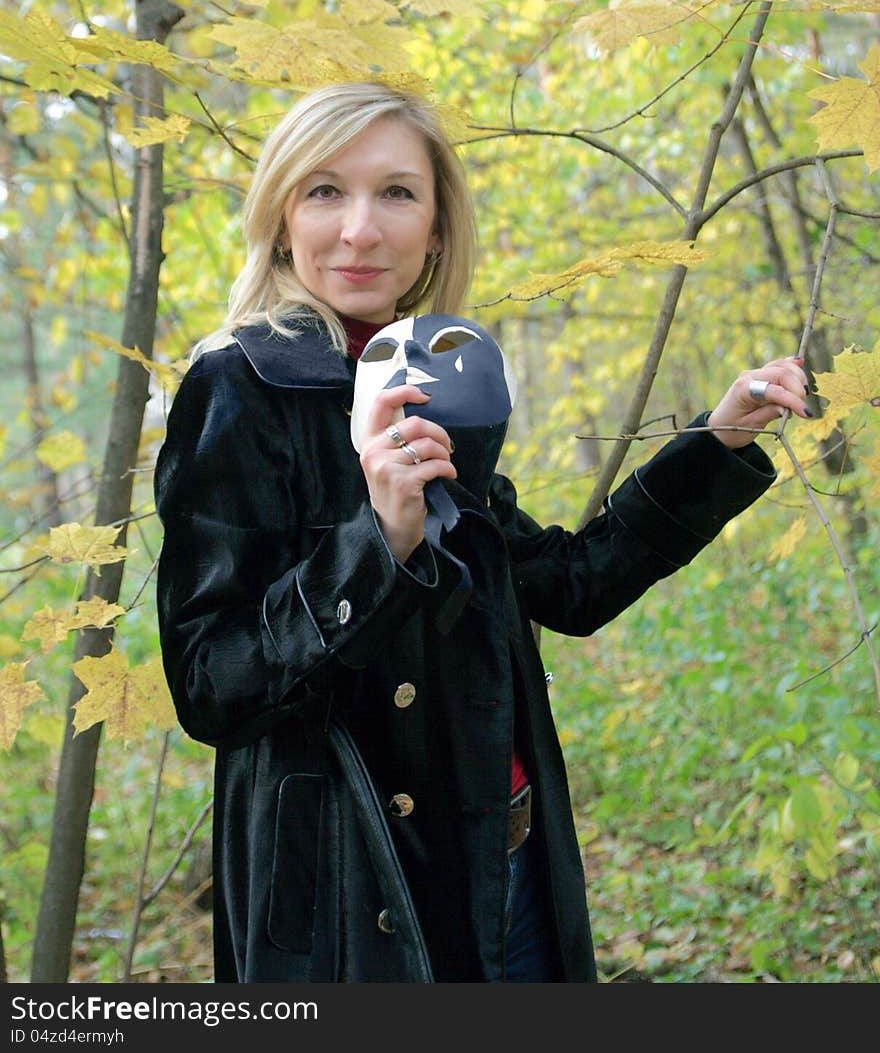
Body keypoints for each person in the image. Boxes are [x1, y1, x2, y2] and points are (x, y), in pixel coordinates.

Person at [154, 80, 811, 984]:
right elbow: (208, 684)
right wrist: (376, 539)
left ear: (434, 225)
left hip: (504, 865)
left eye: (396, 192)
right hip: (356, 896)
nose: (359, 229)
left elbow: (567, 584)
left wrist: (717, 440)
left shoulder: (431, 374)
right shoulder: (238, 386)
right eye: (324, 191)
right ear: (279, 215)